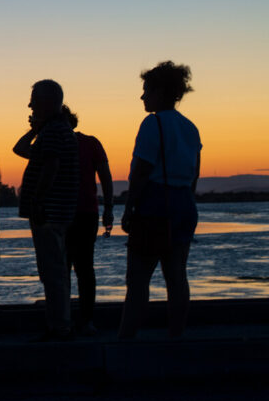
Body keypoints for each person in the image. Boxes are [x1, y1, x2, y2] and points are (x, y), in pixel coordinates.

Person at [119, 61, 201, 339]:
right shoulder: (190, 128)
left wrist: (129, 207)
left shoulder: (152, 123)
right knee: (177, 276)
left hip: (154, 204)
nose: (142, 96)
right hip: (184, 204)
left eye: (147, 90)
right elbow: (194, 175)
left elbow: (141, 171)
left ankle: (126, 339)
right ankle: (176, 336)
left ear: (160, 92)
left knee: (138, 278)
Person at [13, 80, 79, 341]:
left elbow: (51, 167)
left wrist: (38, 202)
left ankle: (59, 327)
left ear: (48, 102)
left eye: (34, 100)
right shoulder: (55, 130)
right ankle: (60, 322)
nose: (30, 105)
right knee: (55, 269)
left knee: (52, 271)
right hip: (56, 211)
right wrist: (35, 130)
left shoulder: (53, 132)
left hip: (49, 212)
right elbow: (20, 150)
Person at [62, 105, 114, 335]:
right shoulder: (89, 143)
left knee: (75, 269)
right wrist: (108, 208)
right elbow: (106, 178)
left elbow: (105, 177)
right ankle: (77, 320)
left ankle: (78, 319)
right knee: (80, 269)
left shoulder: (89, 143)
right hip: (75, 214)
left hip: (77, 214)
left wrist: (108, 208)